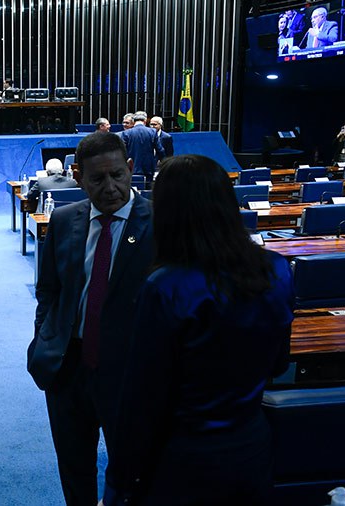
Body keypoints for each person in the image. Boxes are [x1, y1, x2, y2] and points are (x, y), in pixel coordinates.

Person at [106, 154, 294, 505]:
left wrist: (119, 483)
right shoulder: (277, 270)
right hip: (251, 447)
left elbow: (142, 399)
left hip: (183, 459)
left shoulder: (166, 287)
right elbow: (280, 364)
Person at [27, 132, 155, 505]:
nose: (110, 188)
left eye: (118, 175)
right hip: (68, 367)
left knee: (130, 472)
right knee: (74, 468)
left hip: (129, 373)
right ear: (78, 177)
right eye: (97, 179)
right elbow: (48, 290)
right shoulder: (66, 220)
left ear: (130, 169)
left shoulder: (159, 222)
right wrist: (44, 339)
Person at [121, 112, 163, 182]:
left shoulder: (126, 133)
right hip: (148, 168)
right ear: (145, 121)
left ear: (134, 122)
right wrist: (163, 162)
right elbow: (160, 150)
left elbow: (122, 151)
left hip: (132, 168)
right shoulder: (152, 132)